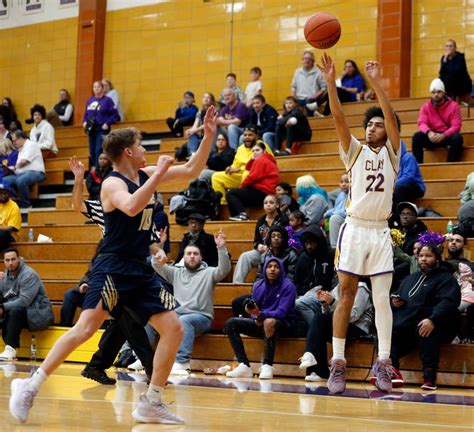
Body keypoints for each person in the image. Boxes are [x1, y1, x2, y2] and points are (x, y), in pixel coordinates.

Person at [9, 106, 218, 425]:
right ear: (129, 152)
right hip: (112, 267)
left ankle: (152, 401)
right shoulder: (112, 184)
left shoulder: (144, 175)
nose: (146, 151)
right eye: (142, 145)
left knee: (173, 328)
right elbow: (133, 207)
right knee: (86, 327)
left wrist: (209, 136)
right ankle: (29, 385)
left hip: (140, 269)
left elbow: (191, 169)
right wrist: (160, 174)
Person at [318, 53, 400, 393]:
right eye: (369, 124)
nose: (372, 128)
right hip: (354, 229)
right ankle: (338, 362)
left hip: (380, 231)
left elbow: (393, 121)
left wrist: (377, 84)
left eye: (377, 124)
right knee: (347, 296)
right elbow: (339, 119)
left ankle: (383, 362)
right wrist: (329, 83)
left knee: (381, 298)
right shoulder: (354, 151)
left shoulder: (393, 153)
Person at [151, 230, 231, 374]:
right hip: (178, 316)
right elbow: (157, 265)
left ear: (201, 257)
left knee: (184, 321)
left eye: (195, 254)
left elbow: (224, 270)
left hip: (201, 317)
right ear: (184, 257)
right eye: (189, 254)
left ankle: (182, 362)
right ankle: (142, 357)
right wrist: (159, 246)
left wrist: (221, 247)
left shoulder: (209, 272)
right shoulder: (176, 272)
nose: (192, 257)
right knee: (152, 317)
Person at [388, 244, 461, 390]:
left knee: (425, 329)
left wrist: (433, 319)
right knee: (387, 331)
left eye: (428, 256)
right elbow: (402, 295)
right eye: (421, 256)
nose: (423, 259)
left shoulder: (446, 278)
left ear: (437, 258)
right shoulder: (411, 278)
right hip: (410, 323)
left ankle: (429, 378)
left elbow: (448, 302)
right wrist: (397, 301)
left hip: (439, 323)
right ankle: (392, 371)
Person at [225, 257, 297, 380]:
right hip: (262, 321)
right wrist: (253, 315)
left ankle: (267, 365)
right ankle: (244, 365)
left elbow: (281, 313)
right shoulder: (258, 285)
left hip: (285, 324)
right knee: (231, 323)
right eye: (269, 267)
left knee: (269, 322)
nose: (272, 269)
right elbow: (256, 308)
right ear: (265, 269)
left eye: (276, 267)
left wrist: (260, 315)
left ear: (281, 270)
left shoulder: (288, 286)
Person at [299, 281, 373, 382]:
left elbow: (353, 316)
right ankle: (319, 371)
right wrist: (324, 303)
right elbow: (327, 314)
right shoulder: (337, 288)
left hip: (358, 329)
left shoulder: (361, 288)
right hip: (340, 326)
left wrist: (333, 301)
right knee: (319, 322)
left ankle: (310, 354)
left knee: (319, 320)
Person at [0, 249, 48, 361]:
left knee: (15, 310)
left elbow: (25, 301)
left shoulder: (29, 274)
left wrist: (2, 307)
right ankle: (9, 349)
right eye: (7, 260)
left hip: (37, 312)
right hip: (17, 312)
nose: (10, 262)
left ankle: (10, 349)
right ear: (4, 262)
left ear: (19, 259)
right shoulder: (5, 275)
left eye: (13, 259)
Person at [232, 194, 288, 284]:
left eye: (271, 202)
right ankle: (237, 285)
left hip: (279, 252)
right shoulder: (261, 221)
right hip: (263, 252)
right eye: (265, 203)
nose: (268, 205)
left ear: (277, 205)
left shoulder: (284, 219)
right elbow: (256, 240)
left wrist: (271, 247)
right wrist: (259, 246)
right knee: (245, 256)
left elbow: (287, 238)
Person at [211, 125, 271, 204]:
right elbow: (235, 165)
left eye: (250, 135)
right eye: (245, 135)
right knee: (216, 177)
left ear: (256, 136)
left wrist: (240, 169)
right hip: (240, 176)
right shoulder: (240, 148)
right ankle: (223, 203)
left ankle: (245, 200)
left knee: (246, 174)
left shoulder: (262, 146)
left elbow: (268, 164)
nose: (247, 137)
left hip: (258, 178)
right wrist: (230, 168)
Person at [411, 78, 463, 164]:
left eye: (439, 92)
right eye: (433, 92)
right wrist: (429, 132)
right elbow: (422, 122)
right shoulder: (425, 107)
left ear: (444, 92)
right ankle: (418, 166)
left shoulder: (454, 106)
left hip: (446, 136)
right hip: (432, 136)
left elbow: (456, 126)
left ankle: (449, 165)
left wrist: (443, 135)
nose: (436, 95)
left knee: (457, 138)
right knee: (417, 137)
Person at [227, 142, 280, 221]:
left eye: (257, 150)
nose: (254, 152)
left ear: (264, 151)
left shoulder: (262, 160)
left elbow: (251, 177)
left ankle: (241, 215)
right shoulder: (266, 159)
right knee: (236, 198)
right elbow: (248, 168)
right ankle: (239, 216)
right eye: (253, 151)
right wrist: (252, 159)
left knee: (231, 193)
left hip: (262, 192)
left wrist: (241, 187)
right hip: (265, 192)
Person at [294, 224, 334, 325]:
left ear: (319, 242)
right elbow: (297, 281)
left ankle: (317, 329)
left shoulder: (331, 254)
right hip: (308, 294)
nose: (309, 247)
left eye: (312, 243)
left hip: (329, 293)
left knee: (299, 304)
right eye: (306, 243)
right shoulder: (303, 258)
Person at [3, 130, 45, 209]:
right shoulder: (20, 149)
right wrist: (11, 169)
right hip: (20, 173)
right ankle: (15, 201)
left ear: (21, 138)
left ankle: (26, 205)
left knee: (21, 181)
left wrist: (14, 167)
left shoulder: (31, 145)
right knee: (4, 180)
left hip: (36, 172)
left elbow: (24, 161)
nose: (14, 143)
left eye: (15, 140)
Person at [83, 80, 119, 169]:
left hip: (101, 128)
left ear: (103, 89)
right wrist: (84, 122)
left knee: (99, 149)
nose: (96, 89)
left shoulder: (108, 100)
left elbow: (115, 115)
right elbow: (86, 114)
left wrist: (107, 123)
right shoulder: (90, 100)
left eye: (98, 87)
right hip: (91, 128)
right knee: (92, 150)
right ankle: (95, 167)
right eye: (94, 87)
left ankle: (97, 169)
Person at [291, 50, 327, 116]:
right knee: (289, 103)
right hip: (299, 98)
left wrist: (315, 95)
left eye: (309, 59)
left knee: (309, 103)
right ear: (302, 60)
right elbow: (293, 86)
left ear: (313, 61)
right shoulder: (297, 72)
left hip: (311, 98)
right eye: (305, 58)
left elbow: (324, 88)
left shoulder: (318, 72)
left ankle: (311, 120)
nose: (306, 60)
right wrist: (292, 98)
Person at [393, 141, 425, 209]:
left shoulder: (408, 157)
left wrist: (392, 185)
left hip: (415, 186)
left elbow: (408, 177)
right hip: (399, 186)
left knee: (398, 188)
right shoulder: (391, 160)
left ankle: (400, 213)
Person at [439, 39, 472, 103]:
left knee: (464, 105)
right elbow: (442, 73)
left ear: (455, 48)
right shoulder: (444, 58)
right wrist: (445, 61)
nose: (449, 48)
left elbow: (454, 71)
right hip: (451, 87)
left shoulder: (460, 57)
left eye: (451, 46)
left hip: (462, 86)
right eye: (447, 46)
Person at [324, 173, 349, 249]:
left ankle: (334, 247)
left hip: (348, 218)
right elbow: (336, 208)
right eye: (341, 182)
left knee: (334, 218)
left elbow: (346, 211)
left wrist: (332, 213)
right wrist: (327, 213)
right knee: (329, 218)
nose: (343, 184)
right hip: (340, 216)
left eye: (347, 181)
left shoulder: (353, 194)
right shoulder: (341, 194)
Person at [0, 183, 20, 251]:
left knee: (1, 234)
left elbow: (11, 228)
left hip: (10, 235)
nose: (2, 195)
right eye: (0, 193)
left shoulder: (14, 206)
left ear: (9, 194)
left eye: (5, 193)